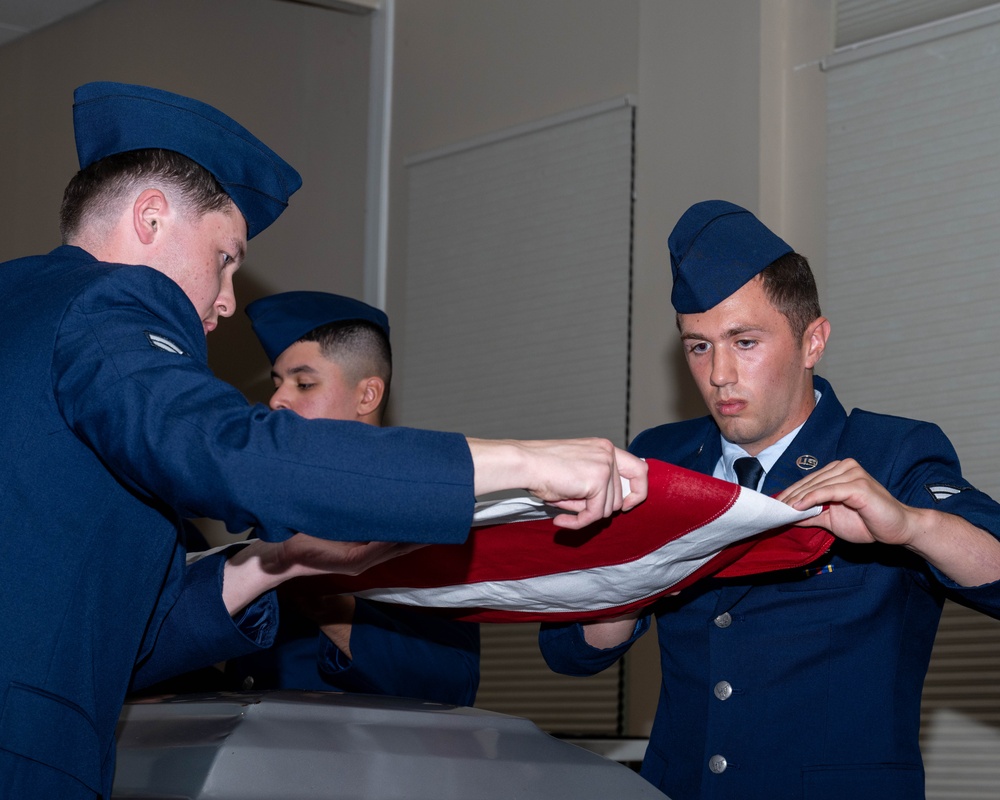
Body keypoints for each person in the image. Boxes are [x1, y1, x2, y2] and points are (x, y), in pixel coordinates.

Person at [0, 81, 646, 800]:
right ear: (151, 218)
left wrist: (278, 564)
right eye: (226, 257)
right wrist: (521, 461)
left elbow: (114, 641)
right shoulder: (104, 301)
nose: (223, 301)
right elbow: (225, 446)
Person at [539, 199, 1000, 799]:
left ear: (814, 342)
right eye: (698, 346)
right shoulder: (661, 460)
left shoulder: (889, 451)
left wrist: (913, 526)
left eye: (745, 341)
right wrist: (630, 573)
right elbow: (568, 652)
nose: (720, 374)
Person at [230, 290, 479, 704]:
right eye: (277, 383)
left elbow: (453, 682)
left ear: (367, 395)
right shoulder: (271, 508)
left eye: (304, 383)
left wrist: (326, 604)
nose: (277, 400)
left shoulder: (425, 513)